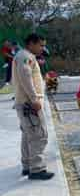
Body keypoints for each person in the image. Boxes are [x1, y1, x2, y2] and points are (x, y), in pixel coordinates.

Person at [12, 33, 54, 180]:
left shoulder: (23, 55)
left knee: (28, 135)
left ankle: (27, 166)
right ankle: (37, 169)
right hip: (29, 104)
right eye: (41, 45)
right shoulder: (26, 57)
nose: (43, 48)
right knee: (39, 135)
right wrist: (35, 99)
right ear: (31, 44)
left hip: (25, 103)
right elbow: (26, 77)